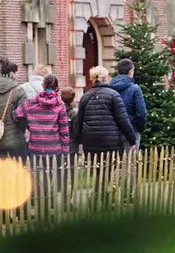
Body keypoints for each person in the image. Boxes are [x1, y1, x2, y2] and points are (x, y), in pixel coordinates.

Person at [74, 66, 136, 208]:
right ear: (105, 78)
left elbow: (79, 120)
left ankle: (99, 199)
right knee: (108, 169)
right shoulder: (113, 95)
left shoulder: (85, 97)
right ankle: (100, 199)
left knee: (97, 169)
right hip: (110, 140)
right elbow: (123, 120)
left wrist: (77, 140)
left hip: (90, 140)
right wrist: (131, 139)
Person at [14, 74, 69, 209]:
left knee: (37, 175)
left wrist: (27, 126)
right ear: (56, 88)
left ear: (43, 85)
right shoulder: (60, 104)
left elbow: (16, 114)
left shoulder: (31, 102)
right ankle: (46, 203)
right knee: (49, 176)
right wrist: (65, 151)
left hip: (36, 146)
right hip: (53, 148)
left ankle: (39, 201)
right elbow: (64, 130)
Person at [109, 58, 148, 149]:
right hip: (132, 129)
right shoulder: (135, 89)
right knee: (130, 161)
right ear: (130, 71)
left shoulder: (110, 88)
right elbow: (141, 113)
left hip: (113, 131)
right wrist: (140, 129)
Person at [60, 87, 80, 205]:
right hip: (71, 147)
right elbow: (76, 132)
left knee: (58, 172)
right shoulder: (73, 114)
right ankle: (67, 200)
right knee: (70, 174)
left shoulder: (57, 111)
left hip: (59, 146)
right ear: (72, 99)